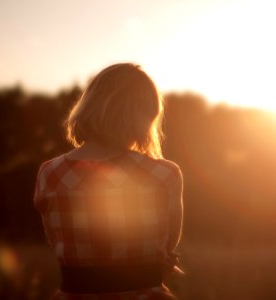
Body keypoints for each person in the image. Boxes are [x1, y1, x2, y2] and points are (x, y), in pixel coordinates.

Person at [34, 63, 183, 300]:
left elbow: (58, 243)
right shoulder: (164, 174)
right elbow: (167, 244)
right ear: (145, 116)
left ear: (89, 105)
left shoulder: (50, 173)